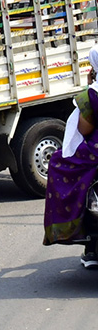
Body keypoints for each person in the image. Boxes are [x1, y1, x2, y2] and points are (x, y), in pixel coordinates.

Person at [43, 45, 98, 268]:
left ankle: (73, 230)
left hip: (95, 152)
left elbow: (84, 130)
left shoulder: (91, 94)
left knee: (57, 162)